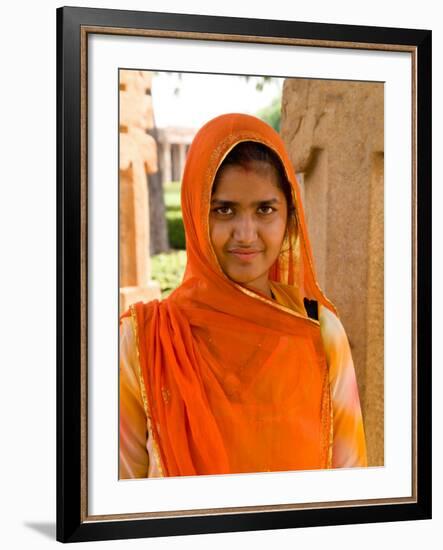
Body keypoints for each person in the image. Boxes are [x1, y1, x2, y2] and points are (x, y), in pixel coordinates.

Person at [119, 113, 367, 479]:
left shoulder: (319, 331)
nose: (246, 234)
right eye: (224, 210)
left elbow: (350, 483)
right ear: (194, 212)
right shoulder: (144, 341)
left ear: (290, 217)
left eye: (265, 209)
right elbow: (119, 490)